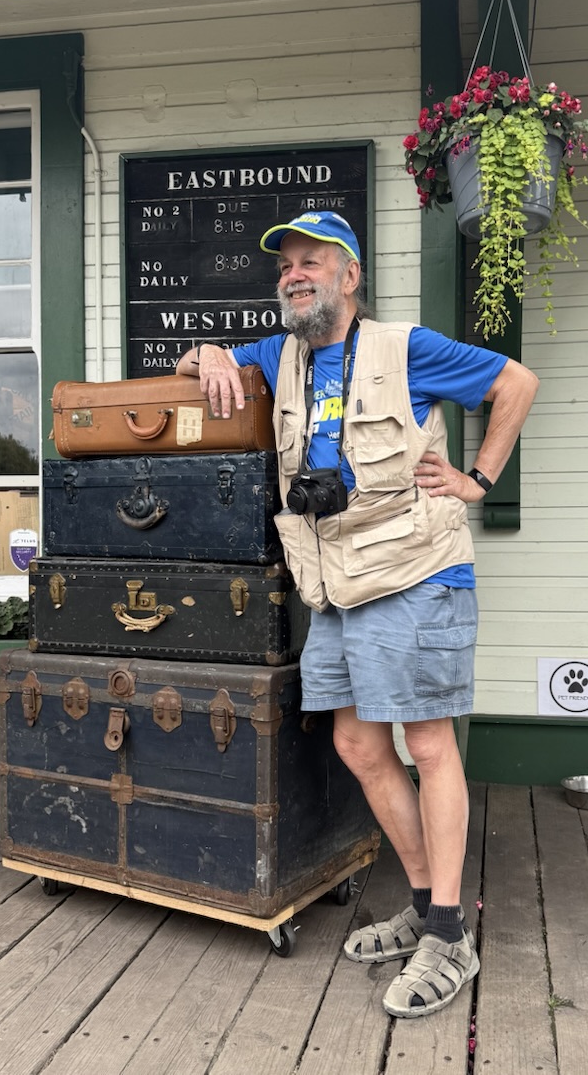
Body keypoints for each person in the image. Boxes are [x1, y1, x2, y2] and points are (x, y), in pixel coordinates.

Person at [176, 210, 539, 1018]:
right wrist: (201, 354)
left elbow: (516, 384)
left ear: (351, 276)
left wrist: (479, 480)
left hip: (414, 573)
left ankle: (450, 934)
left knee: (427, 742)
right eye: (285, 267)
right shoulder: (278, 356)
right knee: (355, 742)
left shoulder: (406, 348)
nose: (295, 274)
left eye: (313, 262)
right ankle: (424, 904)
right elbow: (197, 360)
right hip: (335, 585)